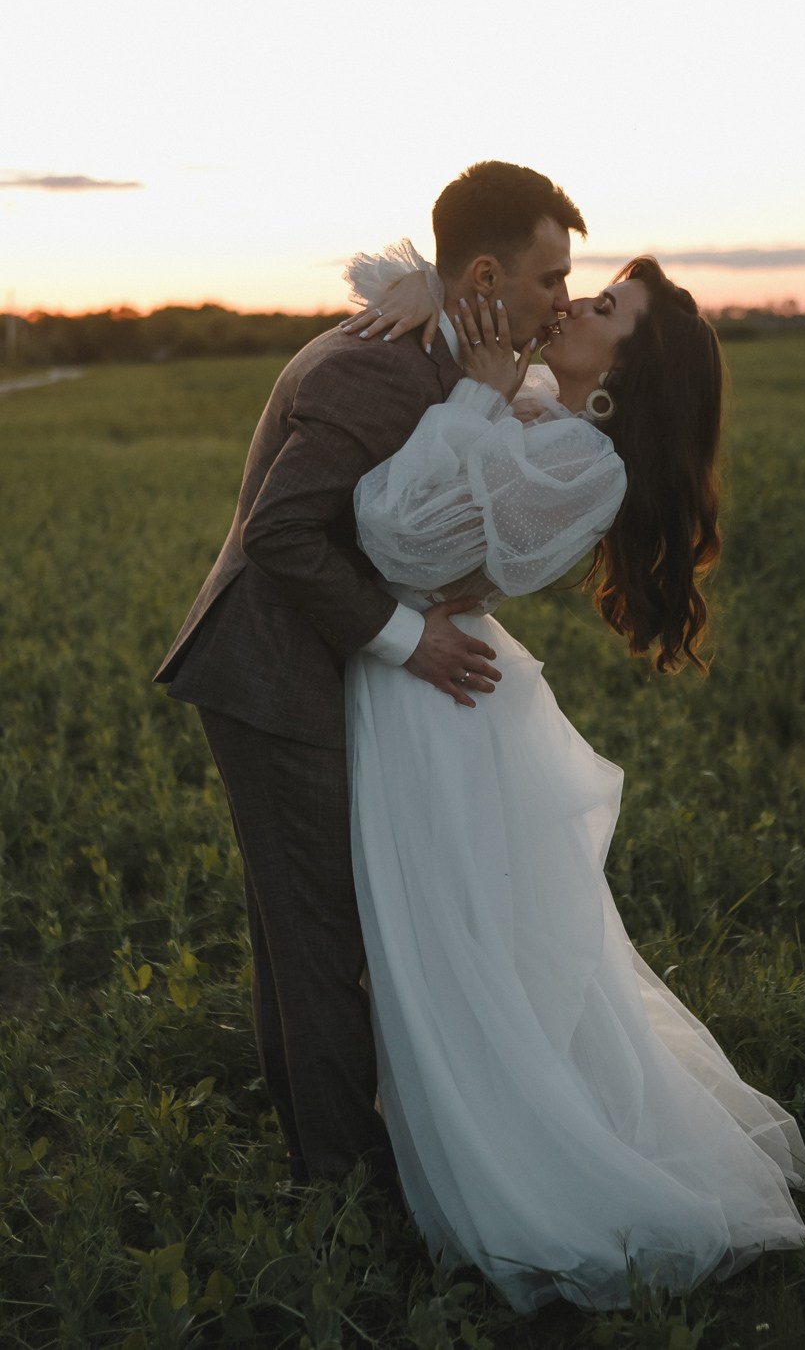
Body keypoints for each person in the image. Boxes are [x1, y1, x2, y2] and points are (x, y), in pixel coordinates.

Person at [338, 253, 805, 1311]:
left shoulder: (582, 463)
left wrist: (475, 393)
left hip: (435, 700)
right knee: (452, 948)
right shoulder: (546, 408)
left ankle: (524, 1176)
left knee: (455, 957)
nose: (571, 304)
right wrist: (435, 300)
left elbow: (389, 532)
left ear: (623, 373)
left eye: (601, 307)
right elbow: (415, 304)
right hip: (433, 685)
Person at [153, 161, 588, 1184]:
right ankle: (343, 1192)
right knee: (317, 940)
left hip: (306, 666)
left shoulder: (442, 348)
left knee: (302, 929)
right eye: (552, 278)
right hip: (271, 676)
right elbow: (282, 535)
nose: (564, 299)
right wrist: (408, 637)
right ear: (484, 273)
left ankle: (328, 1155)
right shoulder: (374, 365)